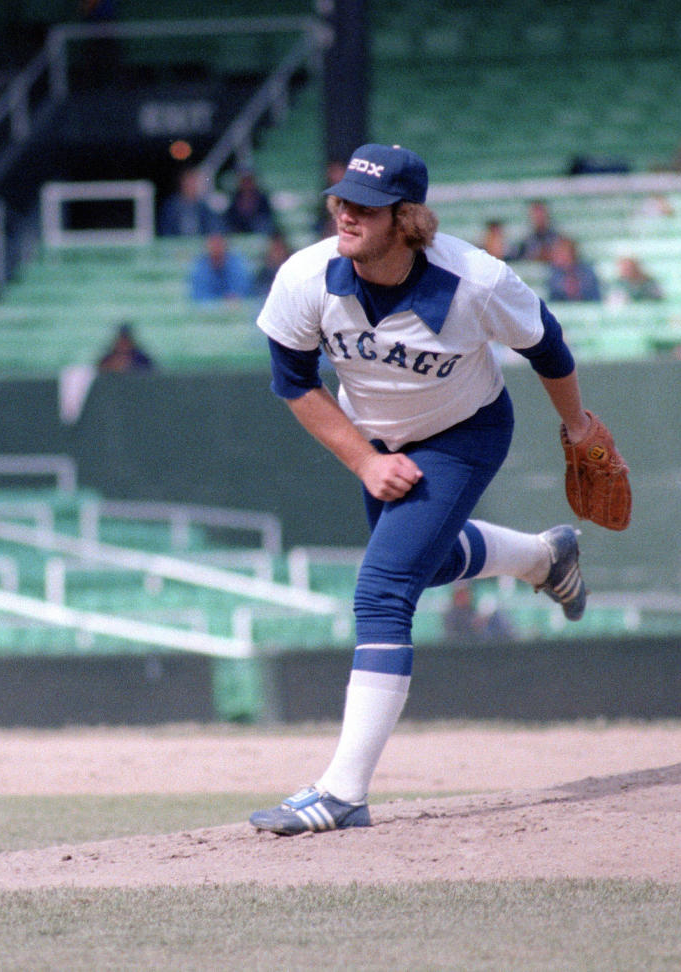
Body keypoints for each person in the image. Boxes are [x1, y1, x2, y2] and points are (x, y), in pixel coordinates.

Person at [248, 143, 611, 835]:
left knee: (383, 588)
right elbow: (294, 383)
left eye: (367, 205)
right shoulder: (307, 277)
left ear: (407, 218)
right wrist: (364, 461)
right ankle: (543, 558)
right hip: (376, 439)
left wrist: (576, 427)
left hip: (463, 433)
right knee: (431, 560)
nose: (347, 213)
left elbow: (548, 346)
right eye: (342, 200)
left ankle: (342, 793)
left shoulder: (475, 279)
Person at [188, 232, 254, 302]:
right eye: (213, 244)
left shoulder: (237, 265)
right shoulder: (200, 268)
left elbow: (241, 291)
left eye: (219, 244)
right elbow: (200, 296)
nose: (216, 248)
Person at [157, 167, 221, 237]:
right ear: (182, 183)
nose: (192, 186)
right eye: (189, 182)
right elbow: (164, 231)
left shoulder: (203, 207)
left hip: (197, 246)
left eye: (194, 182)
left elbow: (214, 228)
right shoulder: (171, 207)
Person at [442, 582, 513, 641]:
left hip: (480, 645)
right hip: (461, 649)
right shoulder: (451, 615)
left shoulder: (472, 609)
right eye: (460, 593)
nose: (463, 596)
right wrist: (474, 624)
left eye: (465, 593)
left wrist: (482, 621)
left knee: (497, 616)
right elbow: (455, 635)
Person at [546, 236, 602, 302]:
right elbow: (554, 300)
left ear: (572, 253)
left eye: (562, 253)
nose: (557, 257)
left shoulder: (587, 272)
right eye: (556, 253)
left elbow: (594, 296)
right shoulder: (554, 276)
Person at [223, 169, 277, 236]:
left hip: (257, 227)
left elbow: (266, 215)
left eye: (249, 181)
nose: (247, 184)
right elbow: (230, 216)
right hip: (238, 226)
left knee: (264, 224)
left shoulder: (262, 198)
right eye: (244, 181)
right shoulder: (234, 197)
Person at [254, 232, 292, 296]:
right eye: (274, 249)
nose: (277, 253)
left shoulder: (292, 273)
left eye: (279, 249)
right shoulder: (262, 274)